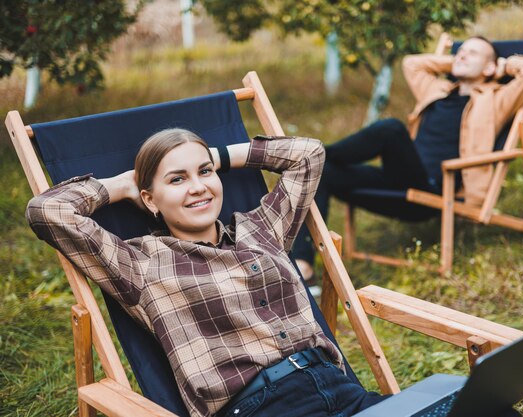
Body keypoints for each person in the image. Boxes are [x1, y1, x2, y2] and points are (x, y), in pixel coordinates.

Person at [26, 129, 387, 417]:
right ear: (149, 199)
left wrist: (210, 155)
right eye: (177, 179)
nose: (198, 187)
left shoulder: (262, 228)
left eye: (204, 173)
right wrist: (122, 185)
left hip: (341, 389)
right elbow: (48, 211)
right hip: (259, 406)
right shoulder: (141, 264)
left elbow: (309, 154)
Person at [292, 36, 523, 282]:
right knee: (320, 170)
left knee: (391, 129)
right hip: (399, 178)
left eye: (472, 53)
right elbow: (411, 63)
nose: (461, 55)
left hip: (433, 191)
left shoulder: (496, 99)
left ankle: (308, 153)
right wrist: (460, 64)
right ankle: (304, 266)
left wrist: (502, 66)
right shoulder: (437, 89)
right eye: (460, 51)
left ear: (491, 66)